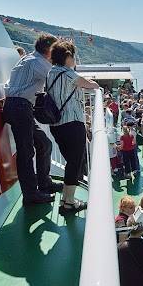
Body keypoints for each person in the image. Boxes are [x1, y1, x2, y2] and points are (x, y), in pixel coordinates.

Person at [3, 34, 60, 205]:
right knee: (26, 152)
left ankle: (44, 183)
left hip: (17, 106)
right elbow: (57, 80)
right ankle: (31, 194)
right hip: (20, 107)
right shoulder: (39, 63)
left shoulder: (29, 59)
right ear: (49, 50)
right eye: (55, 49)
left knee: (44, 143)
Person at [46, 41, 100, 213]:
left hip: (56, 125)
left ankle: (66, 199)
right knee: (75, 162)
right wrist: (94, 85)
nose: (74, 59)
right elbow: (91, 85)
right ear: (68, 56)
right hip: (72, 123)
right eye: (73, 55)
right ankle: (68, 202)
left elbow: (80, 82)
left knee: (72, 162)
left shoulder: (51, 72)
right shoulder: (68, 73)